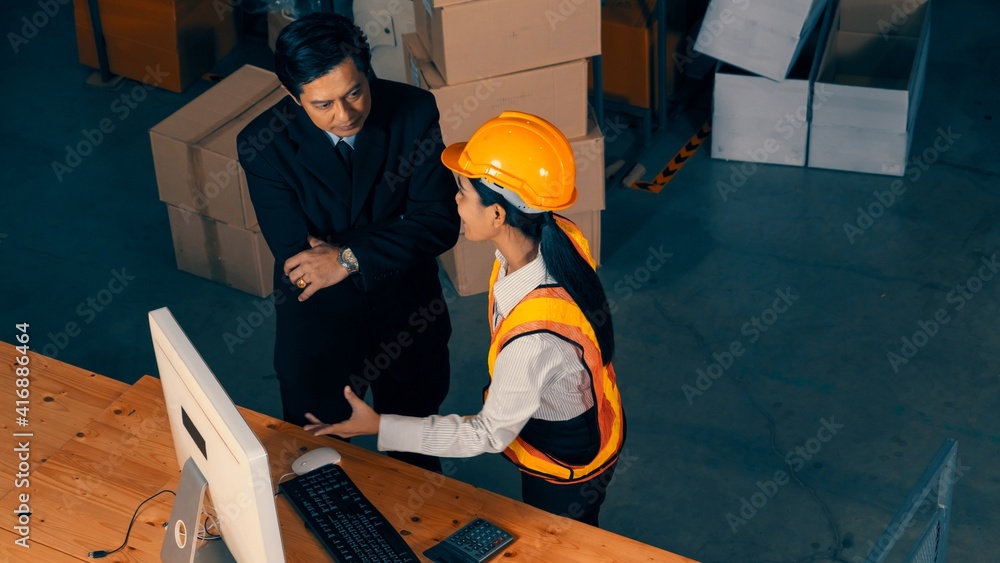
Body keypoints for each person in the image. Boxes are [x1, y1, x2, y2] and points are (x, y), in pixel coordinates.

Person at [304, 112, 626, 526]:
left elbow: (486, 434)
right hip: (583, 410)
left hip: (567, 465)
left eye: (462, 191)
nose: (454, 200)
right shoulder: (556, 237)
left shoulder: (535, 339)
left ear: (497, 215)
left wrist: (379, 425)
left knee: (563, 542)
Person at [237, 13, 459, 473]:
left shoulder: (414, 111)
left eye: (354, 92)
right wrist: (397, 229)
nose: (345, 115)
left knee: (415, 461)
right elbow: (299, 259)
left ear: (366, 70)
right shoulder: (261, 144)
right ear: (291, 95)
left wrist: (345, 256)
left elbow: (439, 222)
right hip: (322, 331)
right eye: (322, 105)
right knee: (318, 466)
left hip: (410, 318)